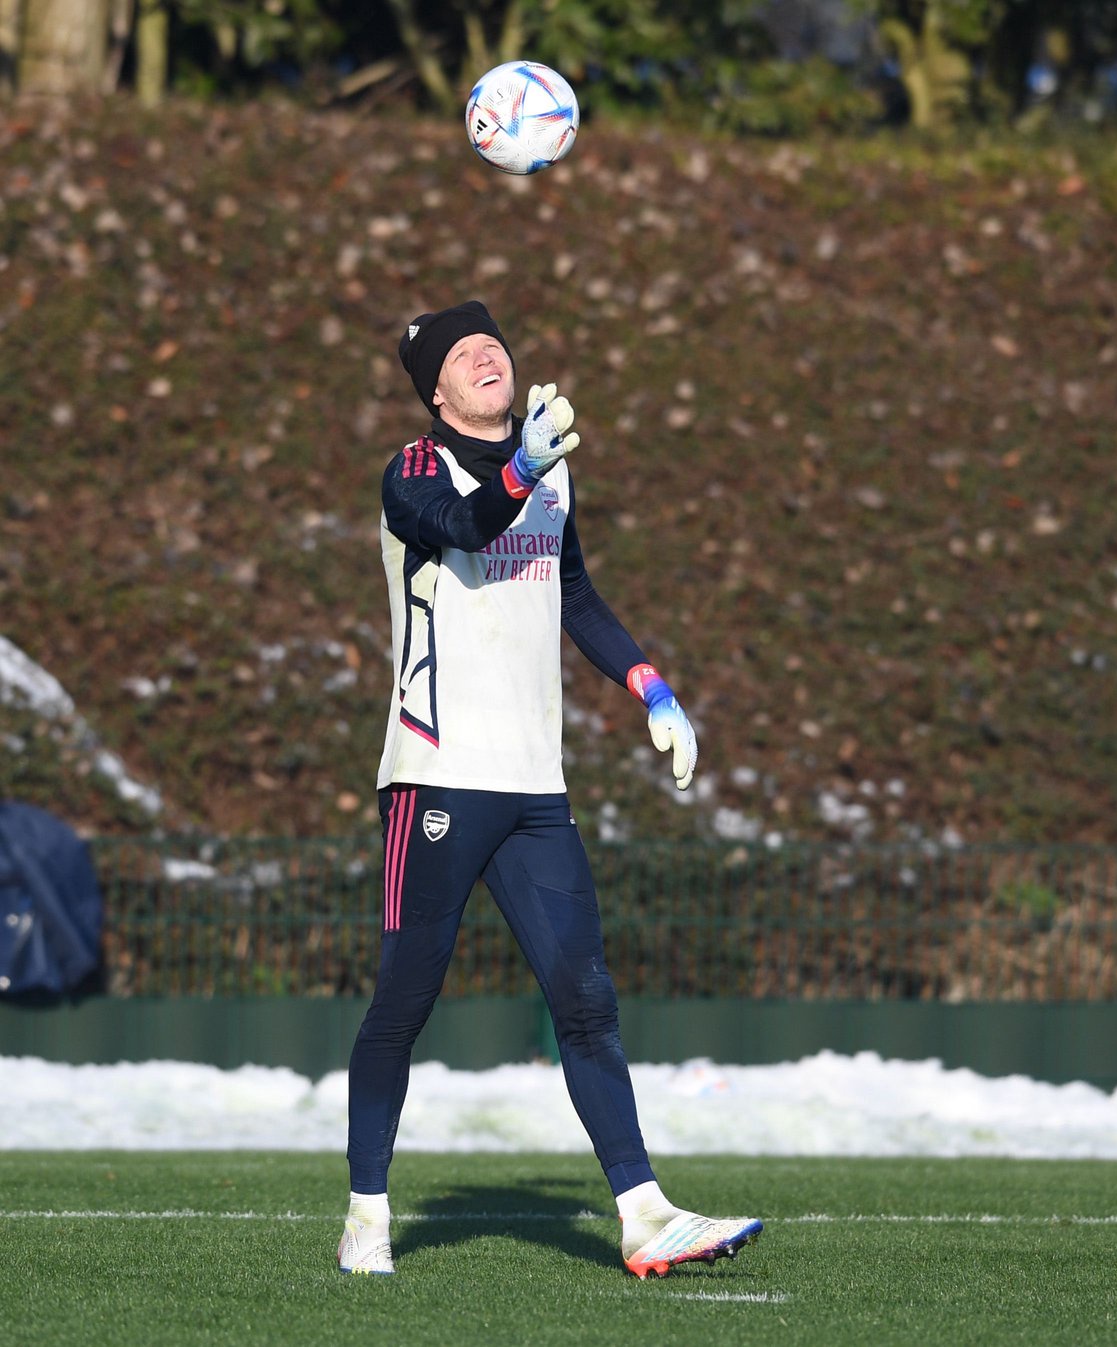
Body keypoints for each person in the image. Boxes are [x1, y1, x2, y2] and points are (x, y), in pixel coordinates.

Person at [338, 300, 762, 1279]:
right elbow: (464, 524)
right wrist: (521, 470)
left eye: (491, 341)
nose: (485, 354)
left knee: (586, 999)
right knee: (404, 1002)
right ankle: (366, 1212)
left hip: (534, 783)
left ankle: (644, 1213)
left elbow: (573, 592)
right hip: (438, 775)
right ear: (436, 392)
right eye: (461, 353)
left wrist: (650, 686)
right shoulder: (414, 470)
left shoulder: (550, 469)